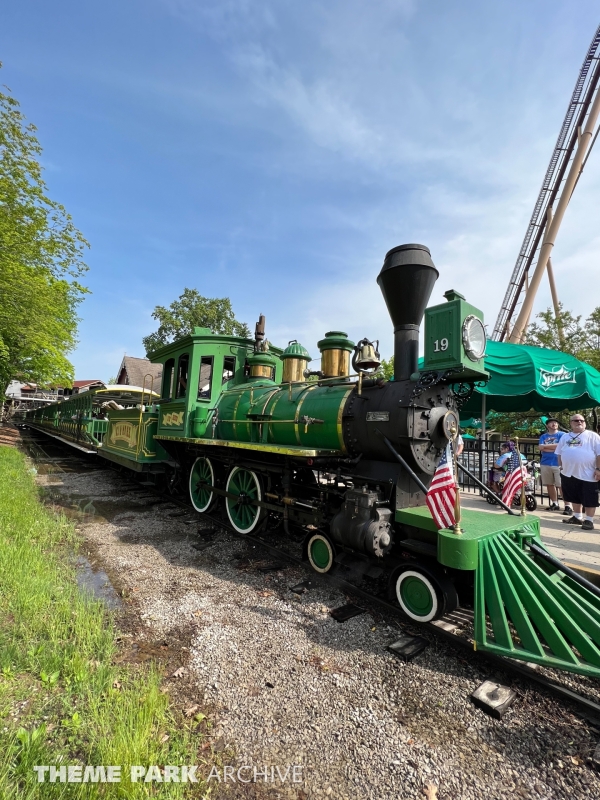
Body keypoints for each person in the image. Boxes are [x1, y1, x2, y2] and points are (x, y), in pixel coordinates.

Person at [556, 415, 600, 531]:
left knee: (590, 497)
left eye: (582, 420)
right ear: (571, 423)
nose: (579, 422)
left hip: (588, 474)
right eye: (576, 420)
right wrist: (561, 467)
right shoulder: (565, 437)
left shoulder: (592, 436)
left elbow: (599, 454)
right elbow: (559, 453)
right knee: (574, 496)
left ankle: (589, 520)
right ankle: (577, 516)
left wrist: (598, 469)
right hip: (568, 473)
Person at [538, 418, 566, 512]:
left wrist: (546, 446)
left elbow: (562, 446)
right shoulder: (543, 436)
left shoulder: (562, 435)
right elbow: (540, 448)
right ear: (547, 425)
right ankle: (555, 503)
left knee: (561, 485)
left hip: (559, 463)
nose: (554, 424)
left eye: (555, 422)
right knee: (549, 484)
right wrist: (555, 447)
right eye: (551, 423)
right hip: (545, 463)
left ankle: (567, 505)